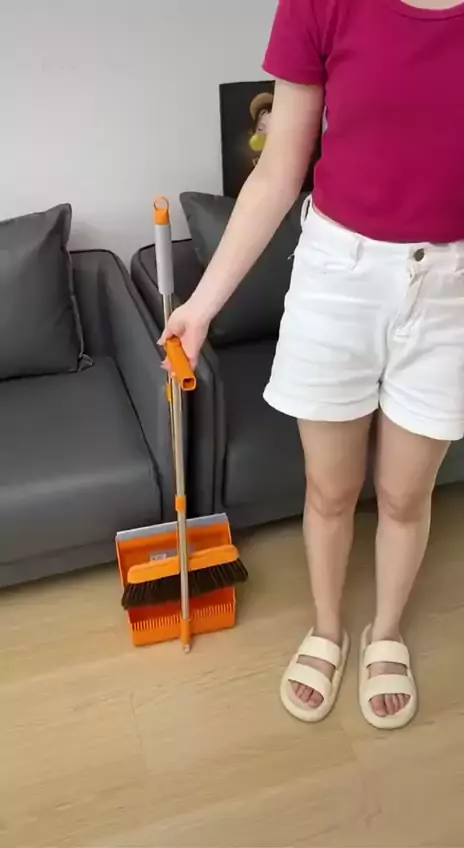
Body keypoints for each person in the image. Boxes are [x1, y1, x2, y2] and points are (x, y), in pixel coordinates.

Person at [161, 0, 464, 729]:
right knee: (330, 489)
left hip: (452, 289)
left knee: (406, 495)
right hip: (339, 275)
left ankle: (385, 631)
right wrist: (201, 306)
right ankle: (327, 628)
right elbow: (278, 169)